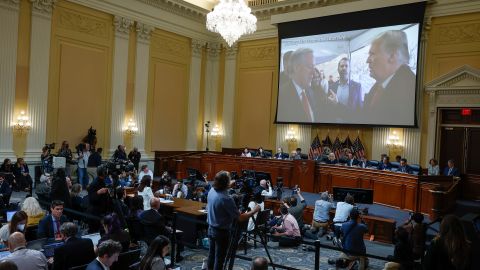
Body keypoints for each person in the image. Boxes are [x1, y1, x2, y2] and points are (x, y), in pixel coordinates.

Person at [207, 171, 260, 270]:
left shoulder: (212, 190)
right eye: (229, 179)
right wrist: (254, 211)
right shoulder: (226, 199)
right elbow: (240, 218)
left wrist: (228, 185)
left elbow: (221, 188)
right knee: (219, 259)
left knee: (211, 255)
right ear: (225, 183)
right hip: (221, 233)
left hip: (211, 228)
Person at [364, 30, 416, 124]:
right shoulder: (379, 86)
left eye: (372, 54)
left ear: (392, 56)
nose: (367, 60)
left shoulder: (409, 88)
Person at [277, 48, 319, 122]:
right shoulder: (281, 96)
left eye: (314, 67)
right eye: (309, 67)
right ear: (296, 68)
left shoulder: (311, 91)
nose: (314, 73)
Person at [87, 167, 111, 232]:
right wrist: (98, 192)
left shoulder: (103, 180)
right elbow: (91, 198)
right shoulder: (94, 184)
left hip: (102, 210)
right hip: (95, 212)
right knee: (95, 230)